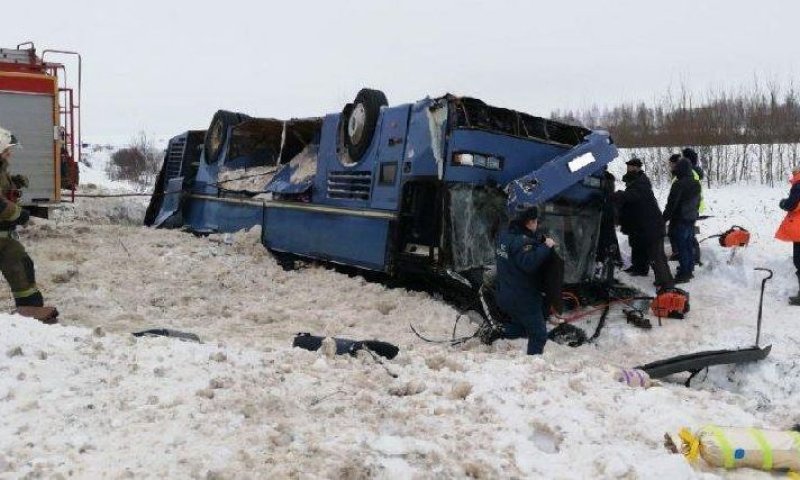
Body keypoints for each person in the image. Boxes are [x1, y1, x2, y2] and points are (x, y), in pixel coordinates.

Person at [0, 127, 58, 323]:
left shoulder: (1, 169)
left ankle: (30, 313)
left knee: (21, 266)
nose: (9, 153)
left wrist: (14, 183)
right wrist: (20, 215)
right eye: (6, 149)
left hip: (4, 237)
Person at [494, 205, 557, 355]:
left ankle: (499, 333)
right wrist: (545, 247)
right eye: (536, 221)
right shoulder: (523, 243)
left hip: (505, 293)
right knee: (539, 335)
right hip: (523, 299)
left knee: (520, 326)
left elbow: (519, 246)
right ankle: (532, 365)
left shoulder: (504, 235)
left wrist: (539, 240)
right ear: (529, 222)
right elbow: (528, 263)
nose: (537, 224)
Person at [615, 158, 674, 288]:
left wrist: (616, 195)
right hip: (641, 226)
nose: (629, 169)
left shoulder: (641, 184)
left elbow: (630, 196)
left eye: (632, 167)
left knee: (656, 255)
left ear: (638, 168)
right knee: (637, 246)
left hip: (652, 226)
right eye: (628, 167)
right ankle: (639, 268)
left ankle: (666, 282)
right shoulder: (635, 184)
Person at [663, 157, 701, 283]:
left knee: (682, 247)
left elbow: (672, 204)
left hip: (680, 219)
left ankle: (684, 273)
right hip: (691, 218)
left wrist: (664, 218)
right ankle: (689, 269)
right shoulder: (696, 183)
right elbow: (697, 202)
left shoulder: (678, 184)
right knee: (688, 245)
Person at [775, 166, 800, 305]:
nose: (793, 174)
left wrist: (783, 203)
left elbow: (792, 204)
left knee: (799, 261)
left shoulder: (798, 184)